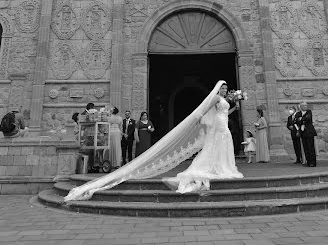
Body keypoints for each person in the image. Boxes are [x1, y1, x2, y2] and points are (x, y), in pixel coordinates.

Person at [64, 80, 242, 202]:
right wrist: (199, 117)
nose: (225, 91)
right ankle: (216, 167)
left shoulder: (225, 100)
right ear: (219, 89)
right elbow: (206, 110)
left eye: (227, 89)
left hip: (223, 123)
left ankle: (222, 166)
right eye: (223, 88)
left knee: (222, 146)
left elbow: (225, 112)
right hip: (218, 125)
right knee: (215, 146)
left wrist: (236, 105)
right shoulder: (216, 98)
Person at [294, 101, 317, 167]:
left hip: (309, 132)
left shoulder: (309, 112)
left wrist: (301, 119)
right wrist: (301, 120)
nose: (305, 106)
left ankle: (313, 162)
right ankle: (308, 161)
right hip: (303, 132)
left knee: (311, 147)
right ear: (300, 107)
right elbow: (296, 121)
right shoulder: (298, 113)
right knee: (305, 148)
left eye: (306, 105)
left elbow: (308, 118)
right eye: (304, 105)